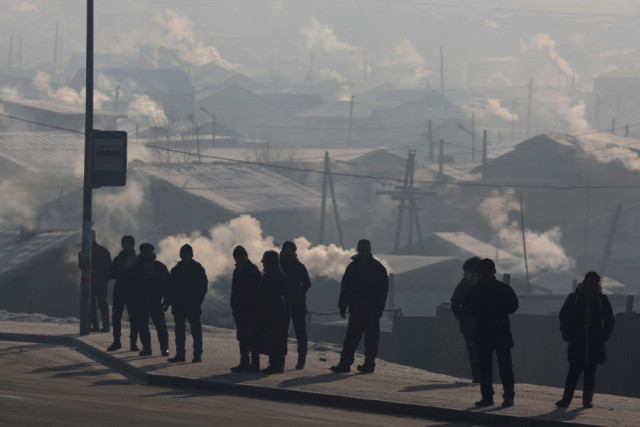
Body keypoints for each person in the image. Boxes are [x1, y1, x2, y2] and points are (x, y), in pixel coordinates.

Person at [464, 258, 519, 408]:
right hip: (497, 333)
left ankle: (493, 397)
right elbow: (513, 305)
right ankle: (503, 397)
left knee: (494, 368)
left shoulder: (477, 290)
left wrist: (484, 310)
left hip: (488, 333)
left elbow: (467, 308)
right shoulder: (502, 288)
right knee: (498, 368)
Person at [556, 271, 615, 409]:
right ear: (585, 281)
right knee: (573, 372)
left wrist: (603, 336)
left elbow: (609, 320)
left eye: (595, 282)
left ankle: (587, 400)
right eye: (590, 281)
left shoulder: (602, 300)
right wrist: (568, 334)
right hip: (577, 343)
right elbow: (564, 316)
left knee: (590, 373)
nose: (592, 284)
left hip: (594, 345)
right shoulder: (574, 297)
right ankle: (566, 399)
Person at [331, 239, 388, 374]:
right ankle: (348, 364)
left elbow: (382, 291)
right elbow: (345, 288)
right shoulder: (358, 267)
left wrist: (379, 308)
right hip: (359, 310)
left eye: (364, 249)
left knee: (368, 339)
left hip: (368, 310)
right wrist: (342, 306)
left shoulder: (374, 268)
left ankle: (365, 364)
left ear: (368, 250)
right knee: (353, 339)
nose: (362, 252)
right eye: (361, 249)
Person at [164, 244, 208, 363]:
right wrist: (168, 301)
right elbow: (170, 287)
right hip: (179, 305)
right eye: (184, 254)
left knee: (195, 331)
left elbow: (203, 287)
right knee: (180, 332)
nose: (185, 256)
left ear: (191, 255)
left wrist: (197, 301)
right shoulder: (176, 270)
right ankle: (180, 355)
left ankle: (197, 355)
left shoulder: (197, 269)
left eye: (187, 254)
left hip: (192, 305)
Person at [131, 243, 170, 357]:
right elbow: (130, 284)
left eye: (148, 251)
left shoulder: (159, 266)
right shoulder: (136, 266)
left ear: (152, 252)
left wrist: (167, 299)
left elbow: (167, 284)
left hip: (155, 301)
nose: (146, 253)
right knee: (143, 326)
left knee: (160, 326)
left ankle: (164, 348)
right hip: (141, 300)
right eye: (144, 251)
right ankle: (147, 348)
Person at [280, 241, 312, 370]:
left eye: (289, 249)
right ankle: (280, 360)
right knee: (282, 332)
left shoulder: (298, 266)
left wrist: (299, 293)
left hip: (296, 303)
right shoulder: (280, 265)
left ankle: (301, 360)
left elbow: (307, 283)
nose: (287, 252)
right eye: (286, 249)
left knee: (299, 332)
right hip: (284, 302)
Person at [230, 245, 262, 373]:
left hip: (251, 309)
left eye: (240, 257)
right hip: (240, 309)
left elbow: (257, 291)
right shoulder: (237, 271)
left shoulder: (253, 270)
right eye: (237, 258)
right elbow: (234, 291)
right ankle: (244, 363)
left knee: (252, 337)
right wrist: (234, 306)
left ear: (245, 256)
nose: (238, 260)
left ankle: (254, 364)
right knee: (242, 337)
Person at [450, 257, 482, 383]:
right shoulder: (465, 284)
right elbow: (455, 302)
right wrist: (462, 319)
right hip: (471, 326)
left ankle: (480, 378)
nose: (466, 274)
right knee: (475, 353)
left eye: (468, 271)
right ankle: (478, 378)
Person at [256, 250, 288, 374]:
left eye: (265, 263)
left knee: (273, 339)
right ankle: (276, 364)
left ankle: (275, 365)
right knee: (277, 339)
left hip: (271, 312)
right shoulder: (280, 274)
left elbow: (265, 294)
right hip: (277, 311)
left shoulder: (270, 275)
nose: (263, 265)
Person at [107, 235, 140, 352]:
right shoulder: (118, 259)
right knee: (116, 318)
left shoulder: (138, 260)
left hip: (133, 292)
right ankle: (117, 342)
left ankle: (133, 343)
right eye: (124, 244)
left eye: (128, 244)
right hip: (120, 291)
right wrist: (122, 269)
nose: (126, 246)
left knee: (134, 318)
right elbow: (111, 275)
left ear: (133, 245)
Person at [78, 230, 112, 333]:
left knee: (100, 303)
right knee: (92, 304)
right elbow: (82, 267)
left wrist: (104, 280)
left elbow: (108, 268)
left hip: (98, 282)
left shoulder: (100, 251)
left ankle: (104, 325)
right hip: (92, 282)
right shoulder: (84, 252)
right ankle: (97, 325)